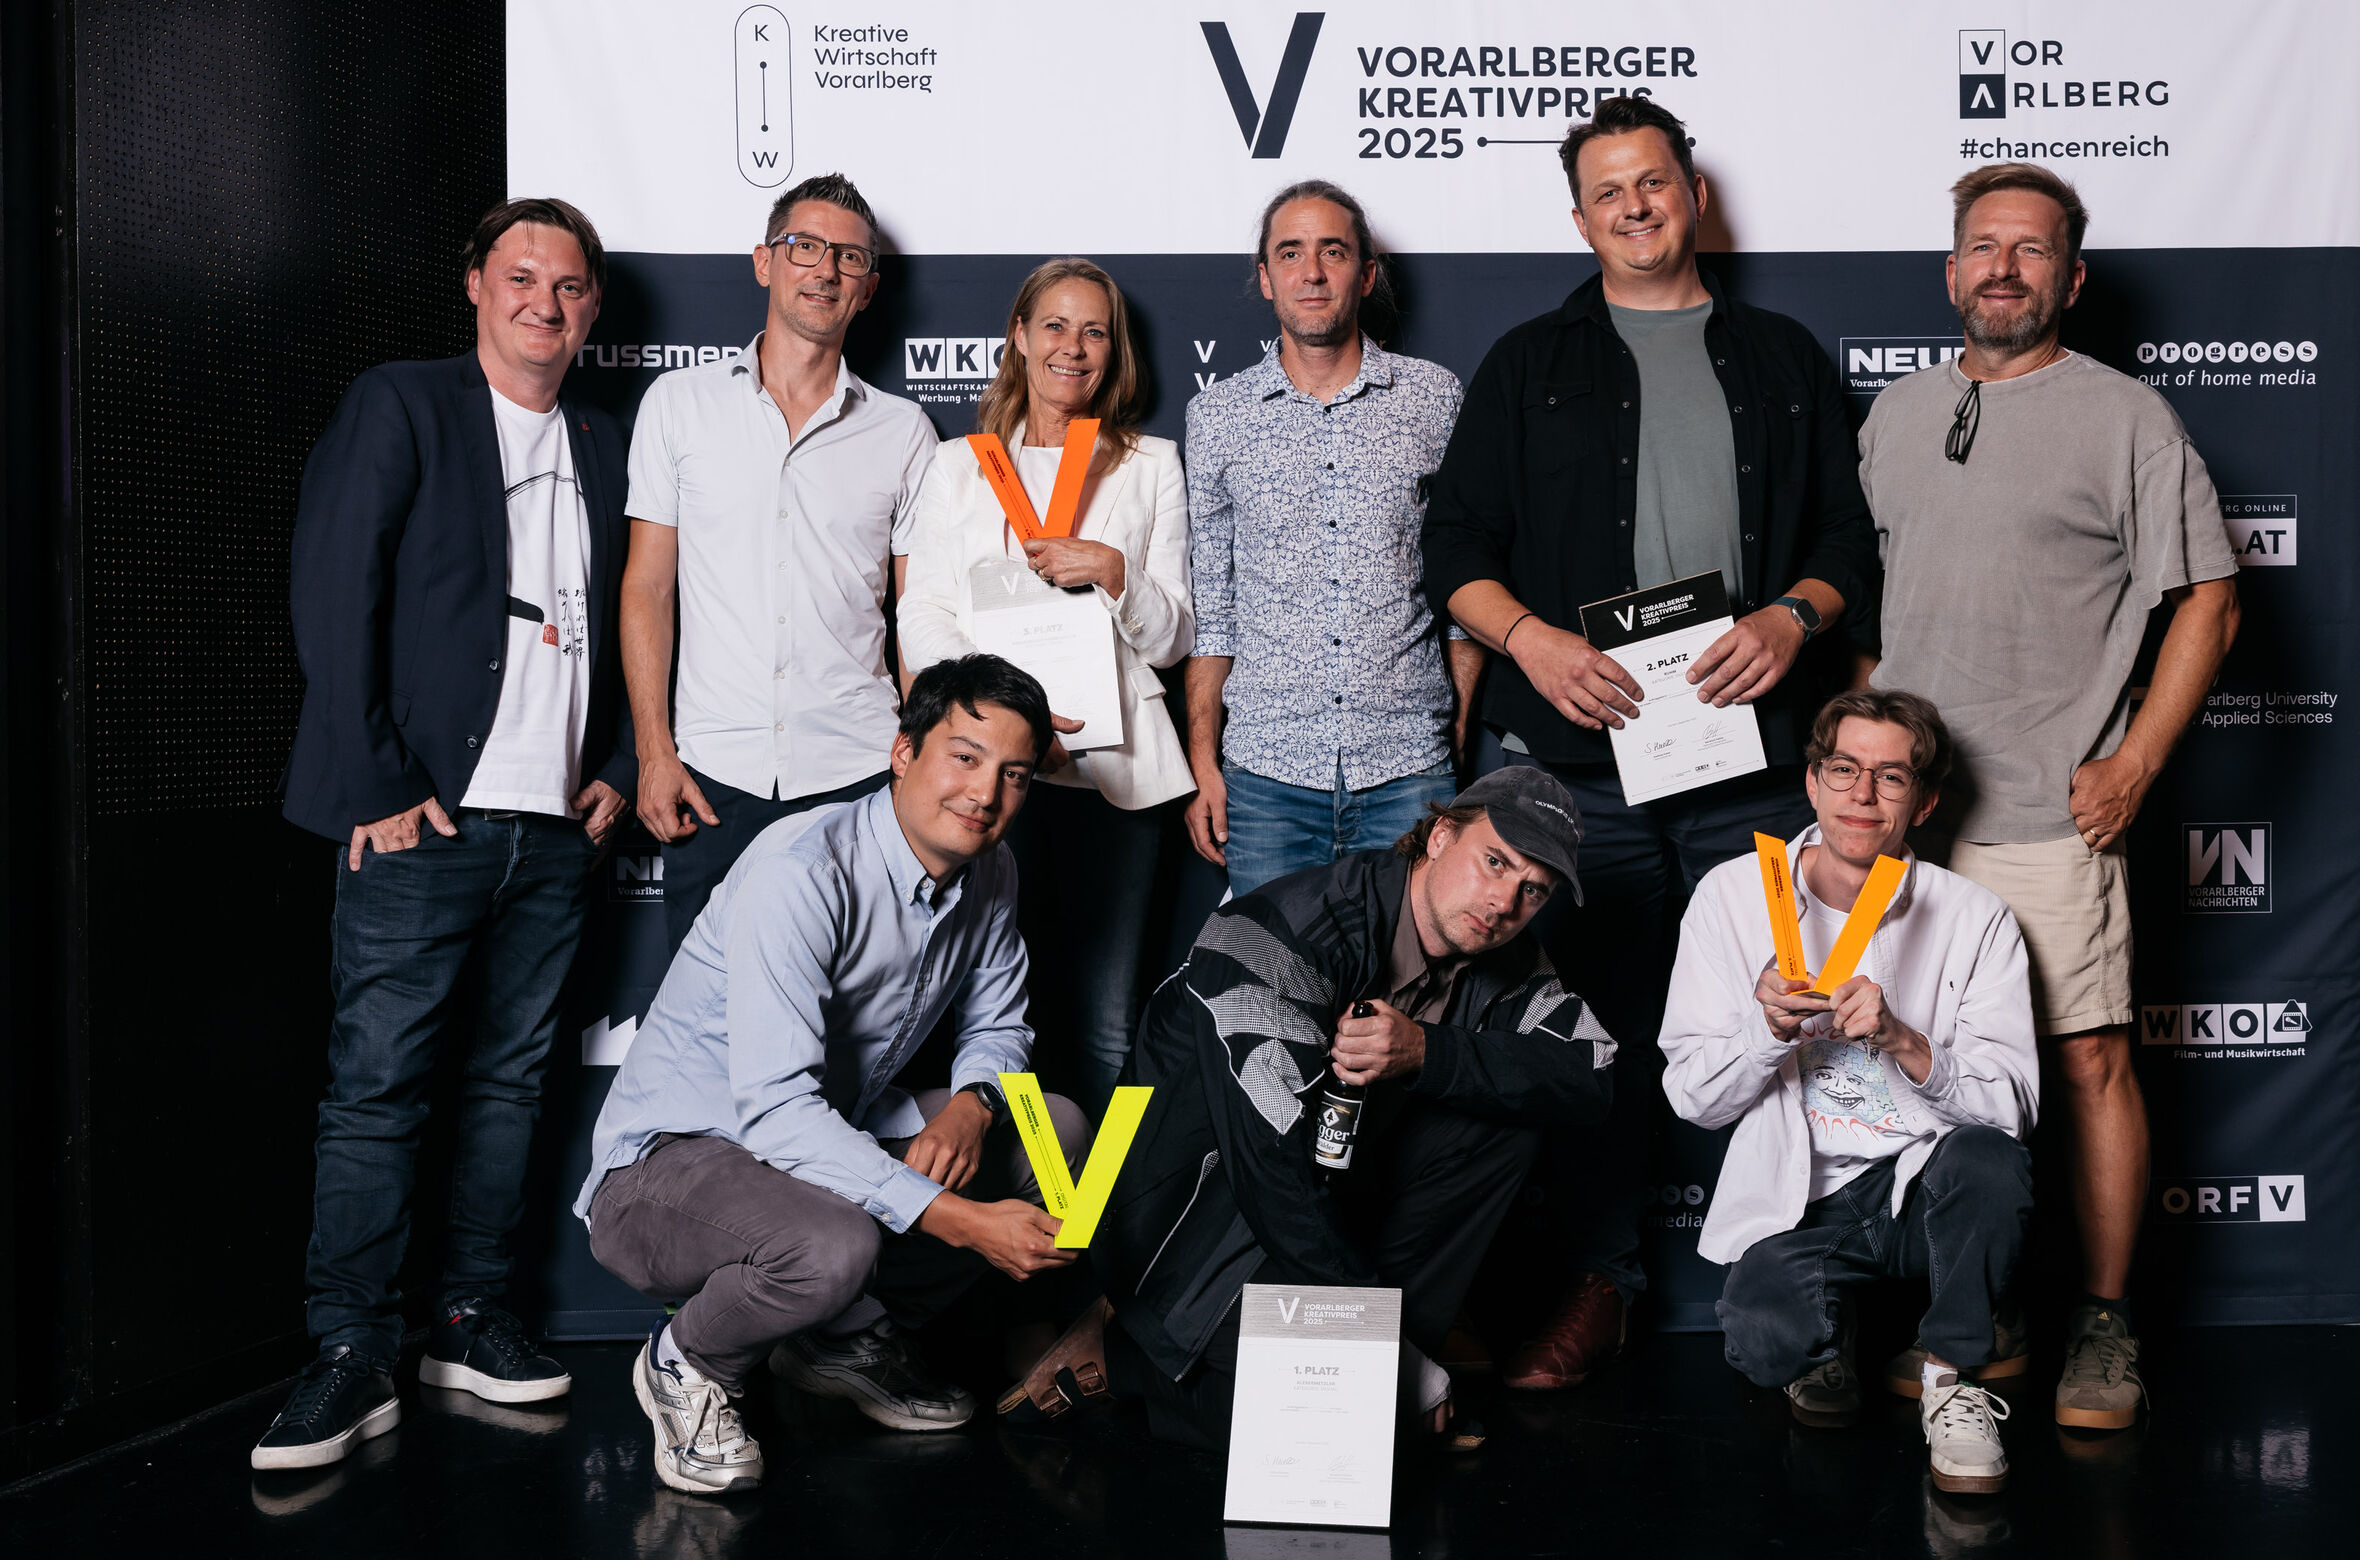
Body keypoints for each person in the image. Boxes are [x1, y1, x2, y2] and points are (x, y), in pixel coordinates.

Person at [1421, 95, 1879, 1390]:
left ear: (1694, 194)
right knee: (1593, 1043)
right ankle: (1602, 1289)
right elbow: (1453, 547)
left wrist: (1793, 618)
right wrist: (1532, 644)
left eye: (1653, 182)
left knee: (1797, 1021)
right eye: (1608, 191)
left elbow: (1846, 542)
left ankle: (1810, 1297)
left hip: (1753, 763)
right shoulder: (1527, 362)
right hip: (1583, 777)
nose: (1634, 206)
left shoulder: (1781, 357)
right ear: (1580, 217)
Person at [1859, 162, 2240, 1430]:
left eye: (2030, 251)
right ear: (1948, 271)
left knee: (2083, 1064)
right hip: (1910, 826)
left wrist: (2134, 763)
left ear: (2069, 281)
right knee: (1923, 1072)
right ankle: (1981, 1314)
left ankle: (2104, 1322)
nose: (2003, 269)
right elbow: (1879, 620)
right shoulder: (1893, 415)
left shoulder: (2125, 417)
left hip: (2045, 815)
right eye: (1983, 247)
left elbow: (2210, 601)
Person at [258, 198, 635, 1471]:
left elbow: (637, 614)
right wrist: (374, 779)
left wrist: (618, 766)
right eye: (521, 276)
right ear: (475, 284)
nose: (545, 302)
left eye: (568, 286)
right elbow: (333, 588)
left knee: (511, 1085)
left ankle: (470, 1319)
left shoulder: (604, 439)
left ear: (592, 307)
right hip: (421, 819)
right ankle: (349, 1350)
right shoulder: (404, 403)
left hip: (554, 828)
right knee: (377, 1091)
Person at [576, 656, 1089, 1495]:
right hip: (669, 1169)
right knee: (833, 1244)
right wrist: (958, 1219)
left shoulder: (992, 869)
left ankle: (840, 1333)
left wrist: (974, 1102)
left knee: (1052, 1126)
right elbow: (778, 1112)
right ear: (903, 752)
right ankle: (689, 1359)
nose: (985, 794)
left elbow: (999, 1027)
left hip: (824, 1136)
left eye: (1014, 775)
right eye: (964, 757)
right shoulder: (803, 868)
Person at [997, 769, 1615, 1449]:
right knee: (1319, 1426)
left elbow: (1594, 1073)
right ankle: (1124, 1349)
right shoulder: (1286, 927)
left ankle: (1381, 1350)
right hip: (1170, 1199)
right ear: (1440, 836)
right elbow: (1269, 1167)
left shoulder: (1505, 955)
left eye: (1534, 890)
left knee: (1503, 1117)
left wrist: (1426, 1051)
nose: (1503, 901)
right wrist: (1378, 1354)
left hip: (1314, 1197)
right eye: (1494, 861)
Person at [1660, 689, 2039, 1493]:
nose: (1863, 794)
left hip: (1921, 1189)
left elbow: (2012, 1109)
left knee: (1988, 1162)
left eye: (1891, 777)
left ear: (1923, 803)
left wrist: (1905, 1041)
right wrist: (1765, 1032)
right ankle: (1829, 1334)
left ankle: (1952, 1375)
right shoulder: (1732, 898)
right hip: (1802, 1204)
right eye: (1843, 769)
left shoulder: (1974, 917)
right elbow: (1693, 1099)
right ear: (1812, 782)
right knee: (1764, 1338)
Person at [900, 258, 1193, 1112]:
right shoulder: (958, 466)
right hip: (987, 776)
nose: (1074, 346)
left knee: (1108, 1020)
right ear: (1020, 338)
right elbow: (923, 614)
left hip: (1115, 776)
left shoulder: (1150, 464)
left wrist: (1116, 572)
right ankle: (1028, 1187)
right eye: (1056, 326)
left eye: (1094, 331)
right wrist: (1008, 724)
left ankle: (1094, 1200)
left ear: (1114, 349)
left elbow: (1173, 639)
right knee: (999, 1013)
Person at [620, 171, 938, 954]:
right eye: (805, 247)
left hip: (857, 772)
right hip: (712, 775)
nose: (825, 269)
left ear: (868, 289)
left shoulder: (904, 431)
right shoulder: (678, 405)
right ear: (765, 262)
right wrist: (653, 753)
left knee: (858, 1008)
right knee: (706, 1014)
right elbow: (648, 587)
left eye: (850, 258)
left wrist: (923, 758)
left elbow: (920, 614)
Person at [1183, 180, 1477, 898]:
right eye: (1290, 253)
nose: (1311, 272)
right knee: (1273, 969)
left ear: (1366, 273)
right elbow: (1213, 612)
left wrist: (1457, 730)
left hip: (1409, 765)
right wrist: (1205, 764)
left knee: (1406, 967)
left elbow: (1464, 588)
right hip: (1265, 775)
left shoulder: (1433, 397)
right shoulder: (1218, 415)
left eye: (1333, 252)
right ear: (1265, 277)